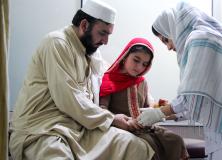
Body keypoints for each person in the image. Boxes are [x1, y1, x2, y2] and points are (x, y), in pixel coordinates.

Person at [9, 0, 155, 160]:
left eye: (108, 34)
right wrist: (112, 118)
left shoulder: (91, 53)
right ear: (84, 25)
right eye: (103, 33)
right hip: (43, 129)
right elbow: (68, 98)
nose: (106, 41)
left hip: (80, 128)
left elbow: (110, 78)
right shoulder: (57, 43)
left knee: (135, 147)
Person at [137, 2, 222, 160]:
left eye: (166, 40)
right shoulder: (208, 36)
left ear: (173, 28)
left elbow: (191, 97)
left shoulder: (200, 39)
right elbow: (201, 102)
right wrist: (166, 115)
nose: (168, 47)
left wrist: (159, 112)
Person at [99, 37, 188, 160]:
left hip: (144, 128)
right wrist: (117, 118)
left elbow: (148, 107)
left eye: (145, 64)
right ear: (125, 56)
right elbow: (102, 109)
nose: (139, 67)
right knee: (149, 147)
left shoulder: (142, 82)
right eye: (136, 60)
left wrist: (159, 107)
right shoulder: (109, 80)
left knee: (175, 140)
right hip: (123, 128)